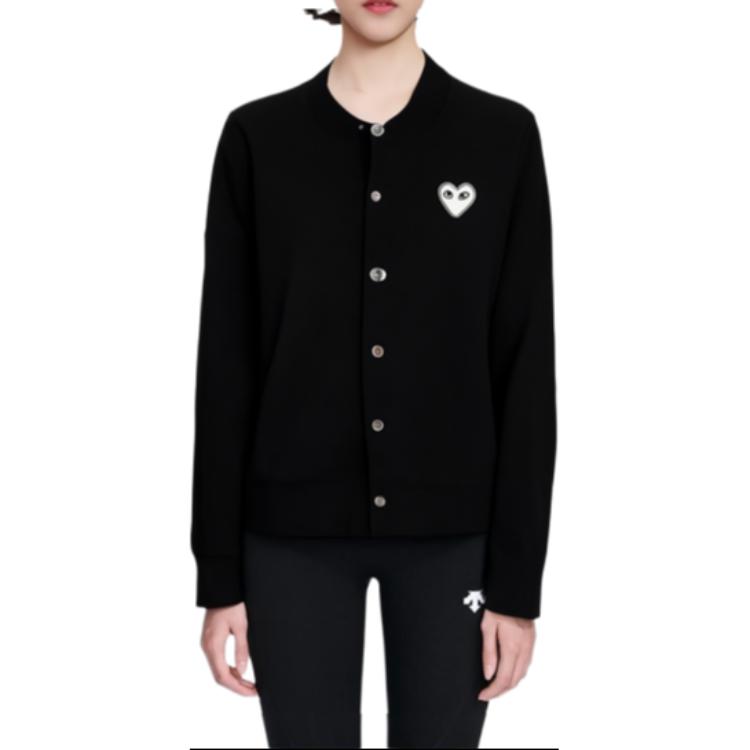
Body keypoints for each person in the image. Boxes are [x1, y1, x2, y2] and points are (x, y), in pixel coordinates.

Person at [190, 1, 557, 747]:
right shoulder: (259, 138)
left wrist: (517, 587)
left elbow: (525, 366)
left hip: (457, 536)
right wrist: (219, 576)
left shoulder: (501, 137)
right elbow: (225, 365)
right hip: (288, 538)